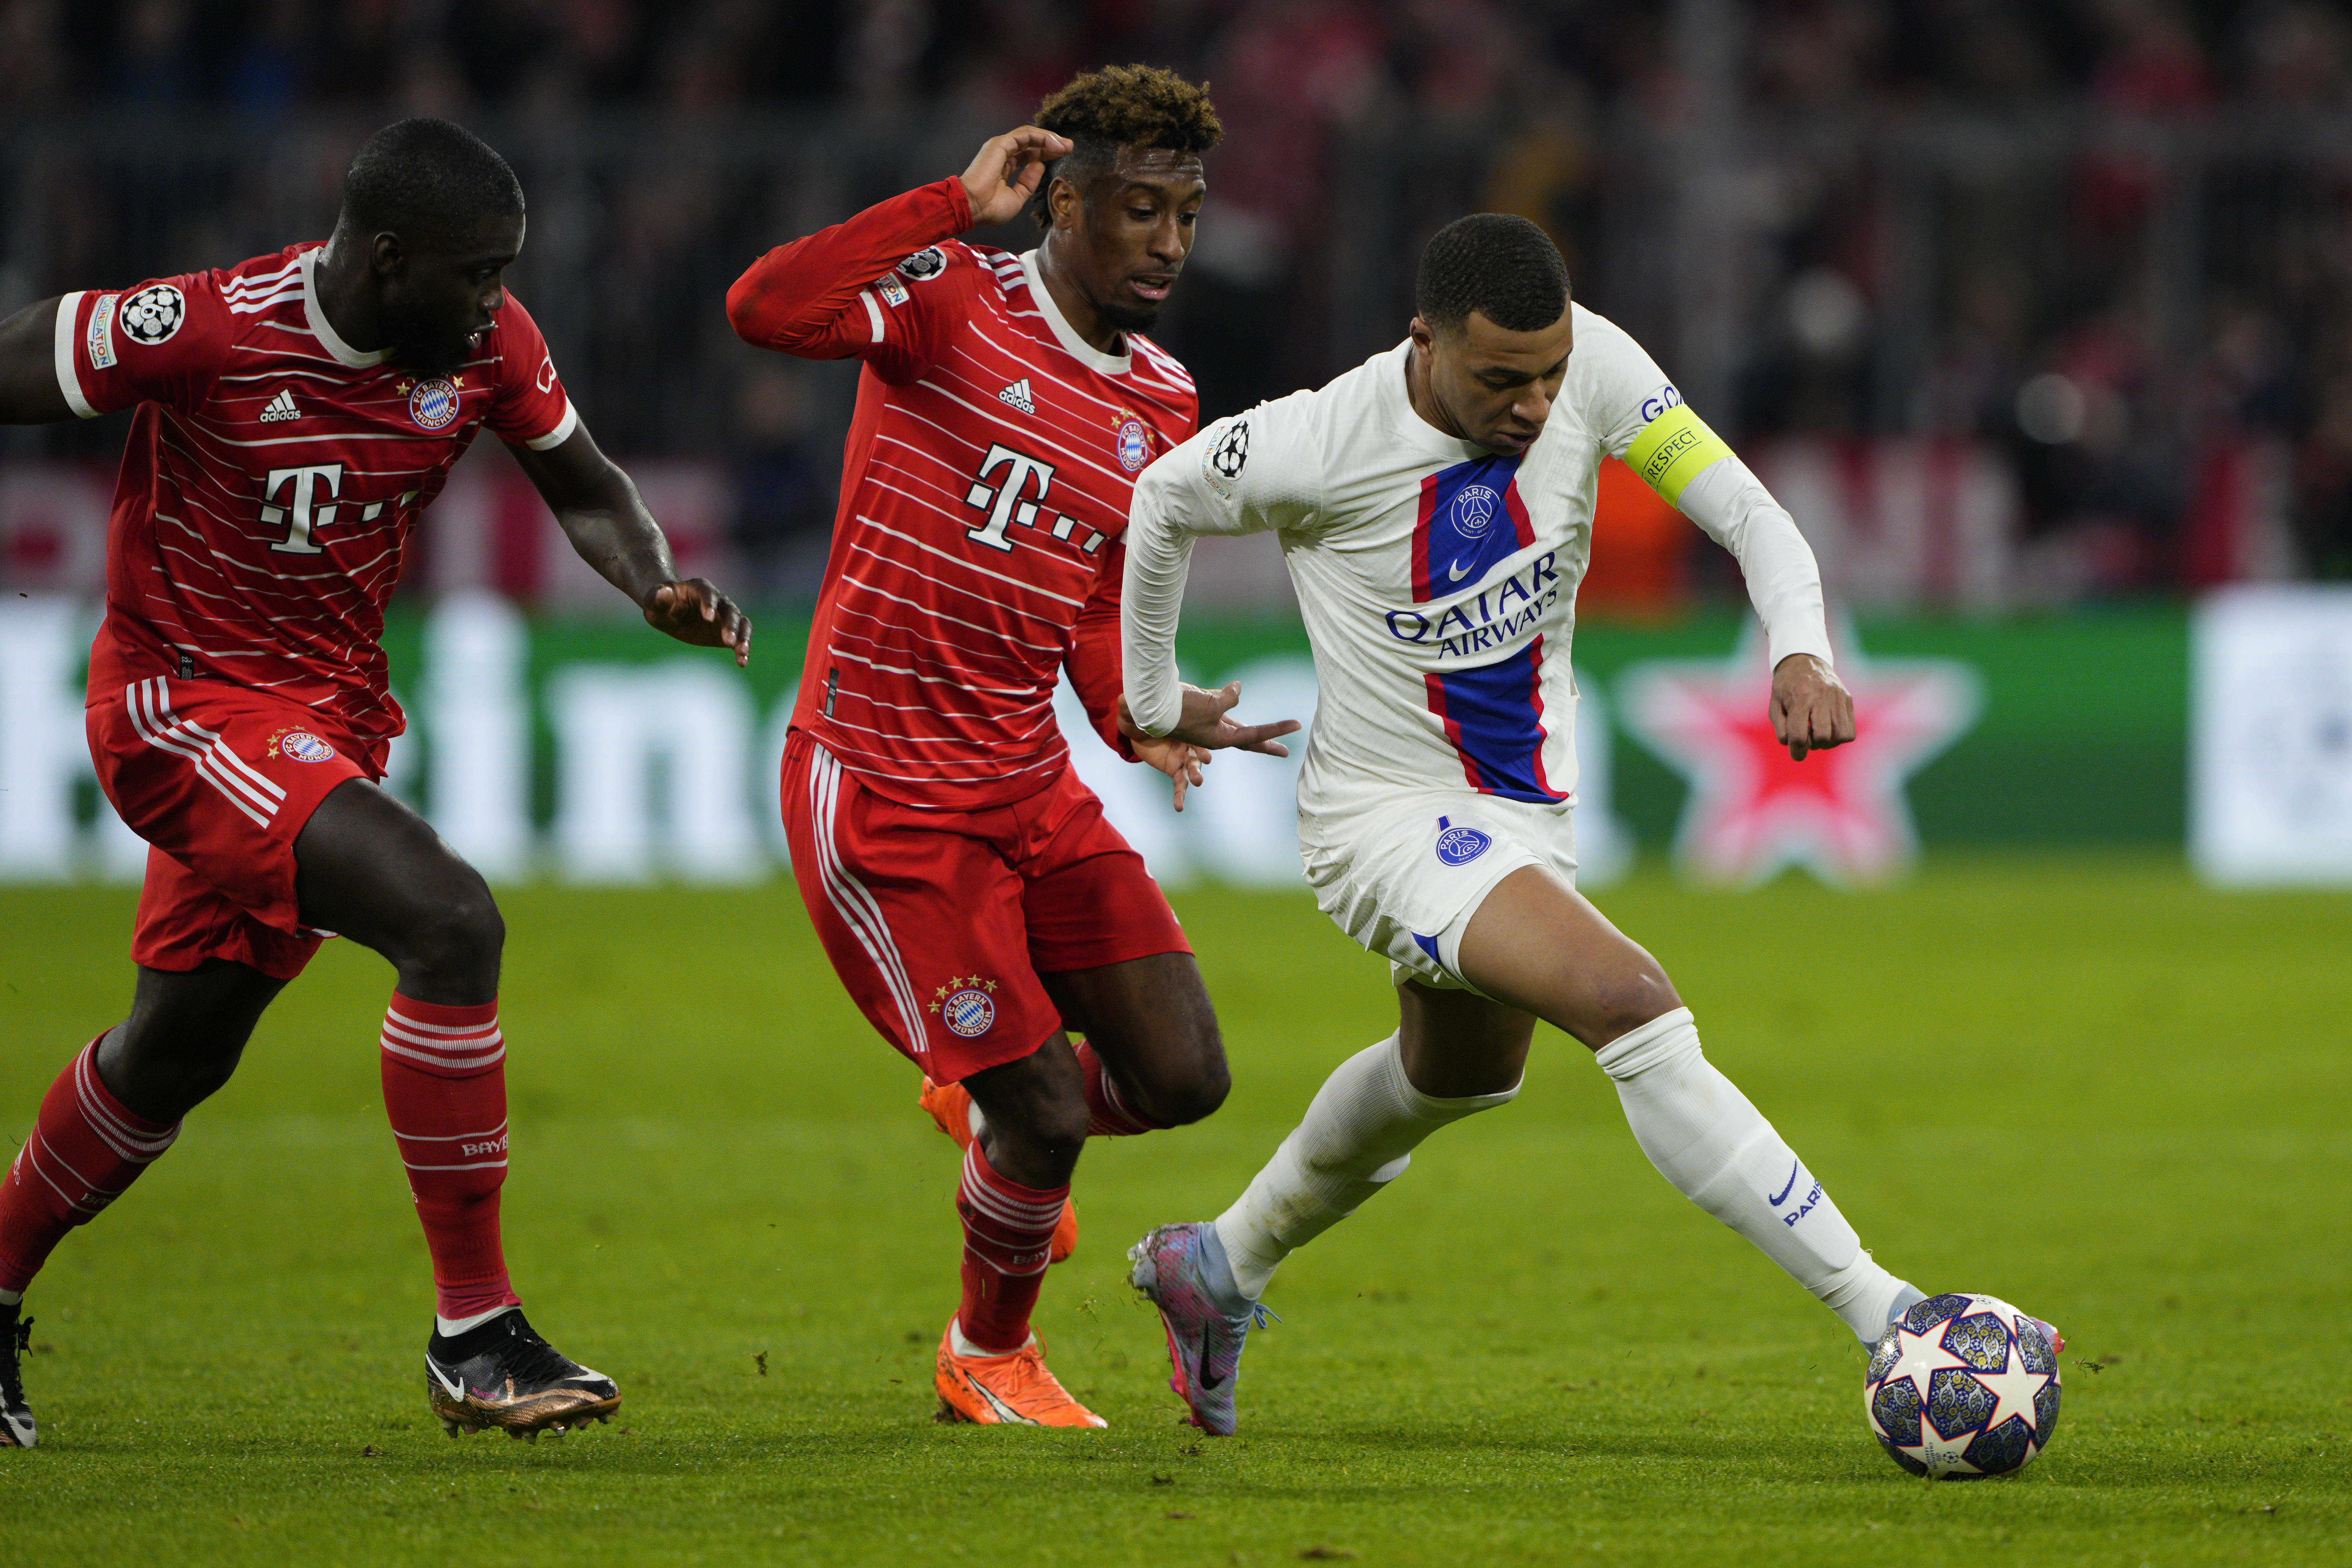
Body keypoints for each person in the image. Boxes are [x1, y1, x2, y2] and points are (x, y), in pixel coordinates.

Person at [1119, 214, 2062, 1435]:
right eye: (1502, 380)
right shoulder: (1318, 441)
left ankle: (1220, 1264)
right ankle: (1893, 1314)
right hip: (1384, 818)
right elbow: (1161, 498)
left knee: (1458, 1074)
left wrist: (1800, 650)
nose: (1535, 404)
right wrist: (1153, 701)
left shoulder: (1599, 366)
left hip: (1528, 811)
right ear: (1425, 343)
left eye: (1551, 374)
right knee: (1630, 1001)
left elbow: (1750, 515)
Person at [0, 118, 749, 1448]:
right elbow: (22, 357)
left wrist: (655, 585)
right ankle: (478, 1335)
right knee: (448, 917)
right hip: (182, 706)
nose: (497, 305)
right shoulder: (213, 327)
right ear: (389, 258)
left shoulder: (482, 348)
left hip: (325, 725)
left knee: (173, 1053)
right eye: (479, 275)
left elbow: (587, 486)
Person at [726, 65, 1291, 1428]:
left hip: (1028, 784)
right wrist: (946, 205)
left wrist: (1141, 710)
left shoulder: (1164, 397)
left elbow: (1092, 597)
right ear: (1065, 202)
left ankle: (989, 1112)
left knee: (1184, 1076)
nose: (1168, 242)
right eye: (1140, 210)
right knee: (1042, 1106)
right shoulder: (951, 297)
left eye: (1187, 214)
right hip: (881, 786)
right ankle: (988, 1350)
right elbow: (764, 308)